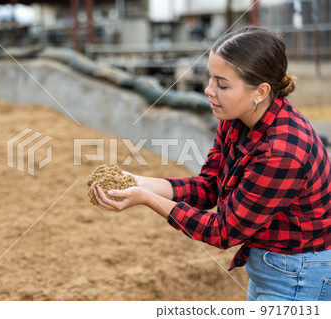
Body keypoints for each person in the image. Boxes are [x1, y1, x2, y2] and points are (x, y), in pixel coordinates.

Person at [92, 26, 331, 301]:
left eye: (222, 84)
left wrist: (147, 198)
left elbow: (223, 230)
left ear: (260, 91)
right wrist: (136, 182)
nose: (208, 90)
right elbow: (208, 188)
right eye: (210, 78)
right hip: (270, 263)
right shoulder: (235, 120)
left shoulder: (282, 152)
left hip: (299, 274)